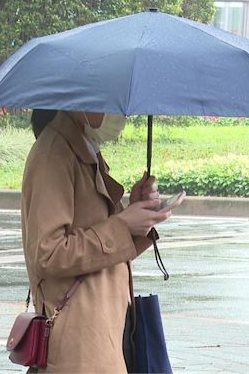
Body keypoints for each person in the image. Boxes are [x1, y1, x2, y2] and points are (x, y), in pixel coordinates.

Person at [21, 109, 174, 373]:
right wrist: (123, 224)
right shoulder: (53, 154)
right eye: (108, 103)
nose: (117, 113)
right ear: (80, 101)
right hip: (78, 342)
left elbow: (102, 250)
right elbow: (48, 253)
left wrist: (136, 213)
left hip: (106, 330)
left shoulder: (84, 149)